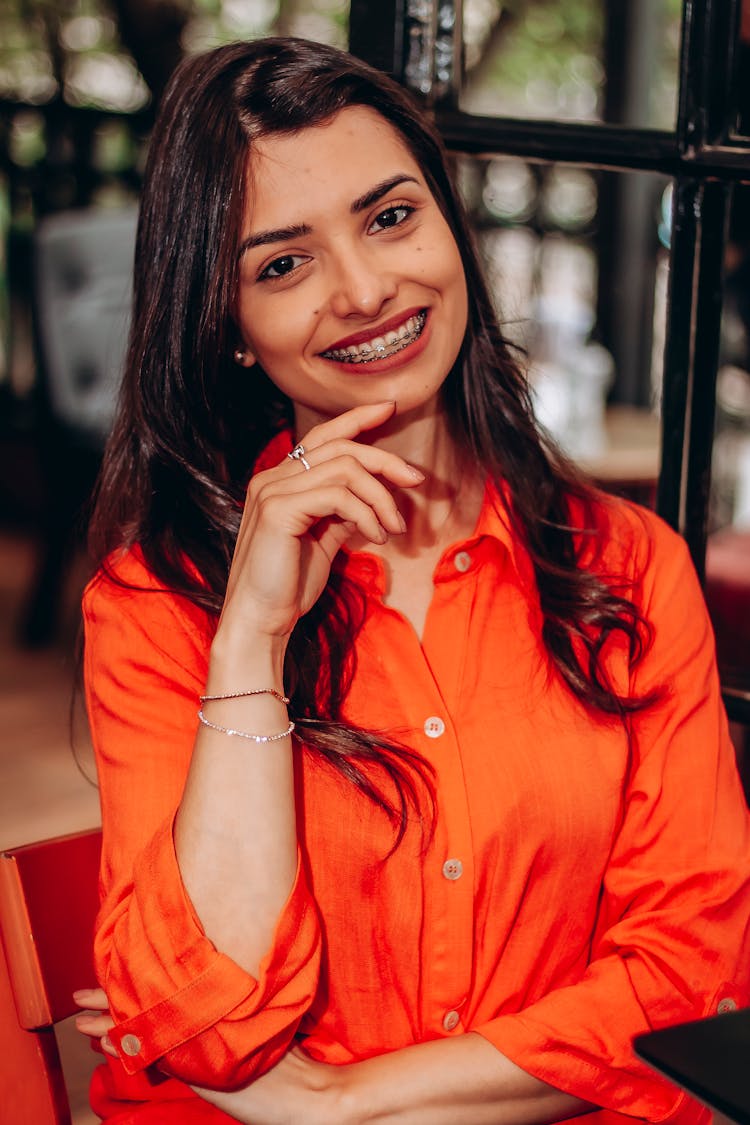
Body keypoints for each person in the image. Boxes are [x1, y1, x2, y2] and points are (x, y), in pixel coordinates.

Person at [74, 35, 750, 1125]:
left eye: (391, 217)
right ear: (229, 325)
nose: (363, 290)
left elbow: (690, 981)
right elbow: (209, 1027)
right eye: (281, 264)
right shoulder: (157, 603)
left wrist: (338, 1103)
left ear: (451, 229)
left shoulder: (629, 566)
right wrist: (250, 639)